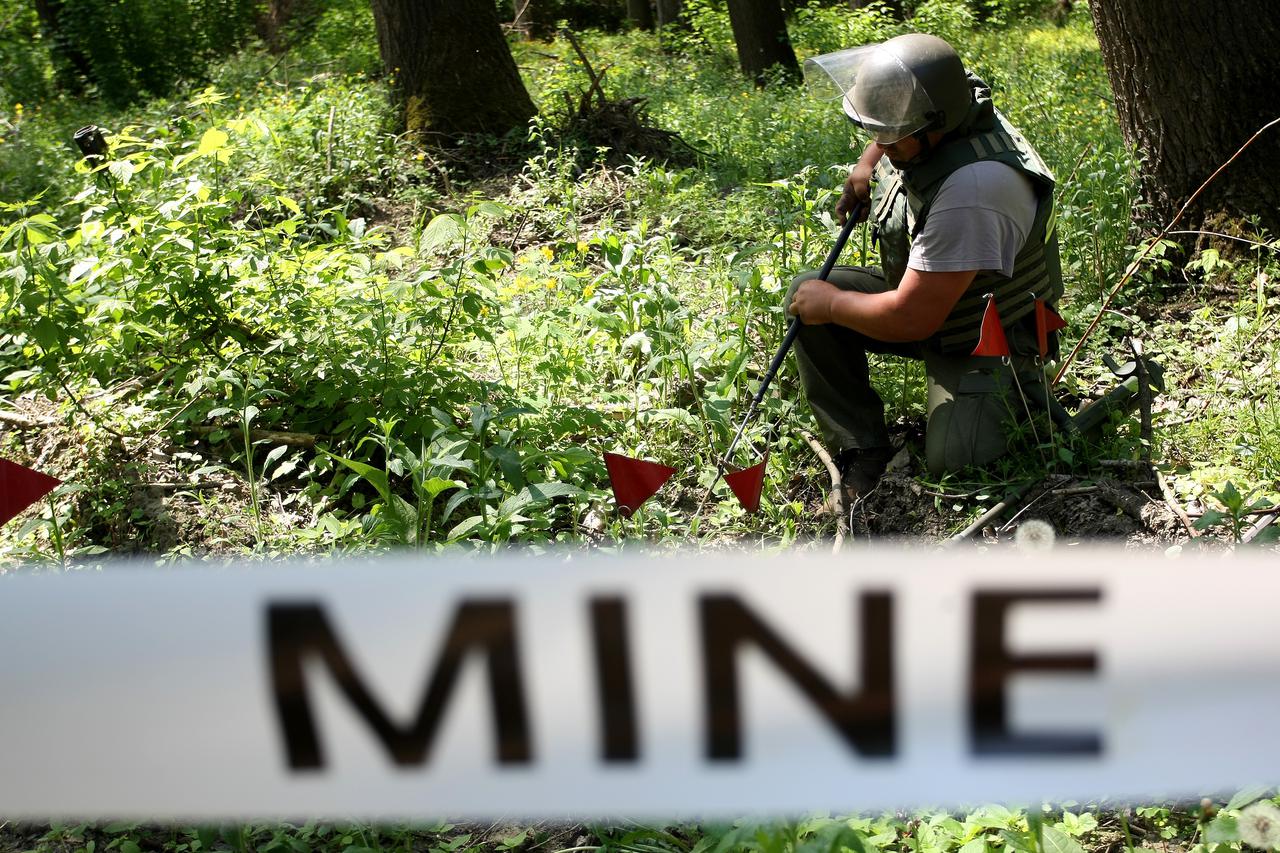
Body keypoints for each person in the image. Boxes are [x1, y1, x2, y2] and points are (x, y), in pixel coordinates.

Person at [787, 32, 1064, 499]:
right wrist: (866, 165)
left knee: (959, 460)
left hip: (987, 330)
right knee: (808, 290)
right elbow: (904, 118)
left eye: (892, 136)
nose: (881, 142)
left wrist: (835, 305)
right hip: (935, 298)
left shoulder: (975, 191)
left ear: (932, 127)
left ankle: (1022, 393)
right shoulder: (952, 105)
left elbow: (913, 318)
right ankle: (862, 446)